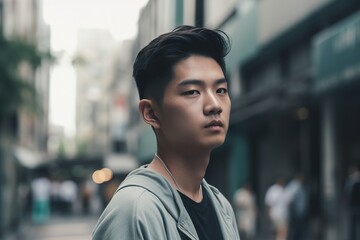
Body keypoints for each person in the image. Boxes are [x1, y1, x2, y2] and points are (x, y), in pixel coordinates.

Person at [92, 25, 239, 240]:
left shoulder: (221, 206)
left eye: (221, 90)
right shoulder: (134, 210)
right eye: (192, 92)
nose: (215, 105)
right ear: (151, 113)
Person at [265, 176, 287, 240]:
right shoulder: (273, 190)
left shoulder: (283, 190)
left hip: (281, 215)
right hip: (277, 215)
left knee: (281, 232)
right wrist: (269, 214)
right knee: (280, 232)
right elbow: (269, 203)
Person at [344, 163, 360, 240]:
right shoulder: (349, 182)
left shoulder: (356, 183)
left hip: (356, 206)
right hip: (352, 207)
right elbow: (347, 195)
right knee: (352, 225)